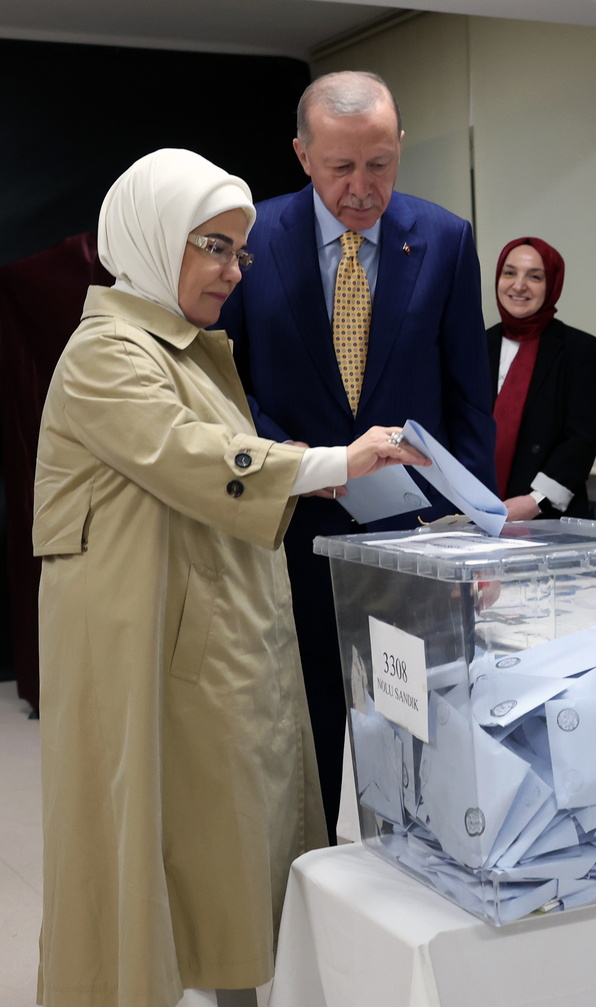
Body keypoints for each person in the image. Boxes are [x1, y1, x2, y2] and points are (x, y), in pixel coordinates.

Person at [32, 148, 430, 1007]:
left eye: (239, 253)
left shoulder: (183, 349)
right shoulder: (108, 351)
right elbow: (193, 454)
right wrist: (329, 460)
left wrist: (321, 463)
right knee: (143, 836)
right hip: (138, 646)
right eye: (214, 247)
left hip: (200, 641)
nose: (232, 272)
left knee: (221, 836)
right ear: (153, 236)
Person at [219, 70, 496, 839]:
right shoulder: (254, 239)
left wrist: (482, 536)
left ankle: (418, 878)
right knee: (303, 734)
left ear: (400, 146)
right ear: (302, 154)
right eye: (341, 167)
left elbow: (468, 398)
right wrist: (291, 453)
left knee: (419, 732)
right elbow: (224, 382)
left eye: (380, 163)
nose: (362, 188)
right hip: (294, 534)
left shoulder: (444, 239)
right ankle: (308, 897)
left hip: (417, 542)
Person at [487, 237, 596, 521]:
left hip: (550, 518)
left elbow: (580, 440)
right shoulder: (475, 345)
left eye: (535, 277)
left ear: (552, 285)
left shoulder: (579, 349)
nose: (518, 285)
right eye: (510, 272)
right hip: (479, 512)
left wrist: (534, 501)